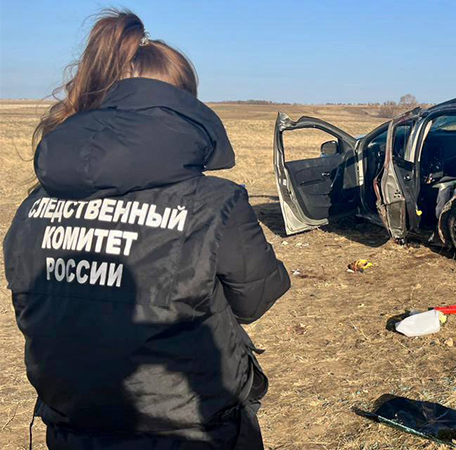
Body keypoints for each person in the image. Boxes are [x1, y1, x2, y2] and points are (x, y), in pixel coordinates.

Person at [3, 9, 290, 449]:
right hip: (195, 429)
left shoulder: (34, 204)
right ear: (184, 106)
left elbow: (35, 306)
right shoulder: (215, 202)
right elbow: (256, 298)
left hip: (72, 430)